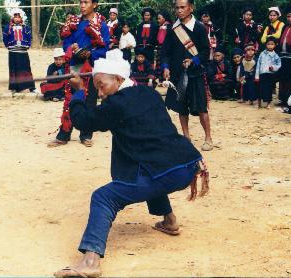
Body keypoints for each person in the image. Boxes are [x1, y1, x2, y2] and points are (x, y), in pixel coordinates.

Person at [53, 48, 209, 278]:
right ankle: (170, 221)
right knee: (148, 170)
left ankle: (90, 261)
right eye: (96, 86)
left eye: (101, 85)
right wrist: (91, 90)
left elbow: (84, 120)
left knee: (103, 197)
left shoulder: (116, 105)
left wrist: (78, 93)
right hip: (188, 164)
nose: (100, 91)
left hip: (166, 170)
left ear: (118, 79)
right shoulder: (149, 93)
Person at [48, 0, 109, 148]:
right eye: (81, 2)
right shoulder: (73, 22)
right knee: (70, 98)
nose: (82, 5)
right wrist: (72, 47)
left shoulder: (101, 24)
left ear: (94, 4)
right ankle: (64, 134)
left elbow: (105, 47)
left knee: (90, 100)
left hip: (93, 67)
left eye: (86, 2)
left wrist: (90, 53)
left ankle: (86, 134)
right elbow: (66, 43)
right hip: (75, 65)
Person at [162, 0, 213, 151]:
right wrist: (165, 67)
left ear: (191, 8)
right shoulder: (172, 29)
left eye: (183, 7)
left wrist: (194, 60)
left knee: (202, 108)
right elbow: (165, 52)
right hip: (178, 75)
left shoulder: (199, 28)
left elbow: (205, 50)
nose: (179, 10)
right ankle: (186, 137)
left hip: (195, 74)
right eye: (177, 7)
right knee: (181, 108)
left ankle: (208, 138)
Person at [3, 8, 37, 93]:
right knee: (14, 69)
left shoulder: (26, 27)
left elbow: (29, 38)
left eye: (19, 17)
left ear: (21, 18)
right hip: (13, 51)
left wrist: (28, 45)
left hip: (23, 51)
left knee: (26, 69)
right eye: (15, 17)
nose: (17, 19)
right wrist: (8, 45)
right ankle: (14, 88)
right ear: (12, 17)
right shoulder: (8, 27)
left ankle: (31, 87)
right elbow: (5, 38)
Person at [255, 37, 281, 109]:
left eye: (272, 44)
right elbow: (258, 65)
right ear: (266, 45)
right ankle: (259, 103)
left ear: (275, 45)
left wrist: (273, 68)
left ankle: (268, 103)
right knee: (260, 89)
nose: (270, 46)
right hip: (262, 74)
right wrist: (257, 76)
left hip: (270, 75)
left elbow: (279, 65)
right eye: (268, 44)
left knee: (268, 89)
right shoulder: (262, 54)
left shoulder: (276, 56)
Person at [156, 10, 172, 82]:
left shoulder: (166, 27)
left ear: (164, 19)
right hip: (164, 49)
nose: (158, 20)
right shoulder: (165, 26)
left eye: (159, 18)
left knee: (163, 65)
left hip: (164, 49)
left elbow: (160, 40)